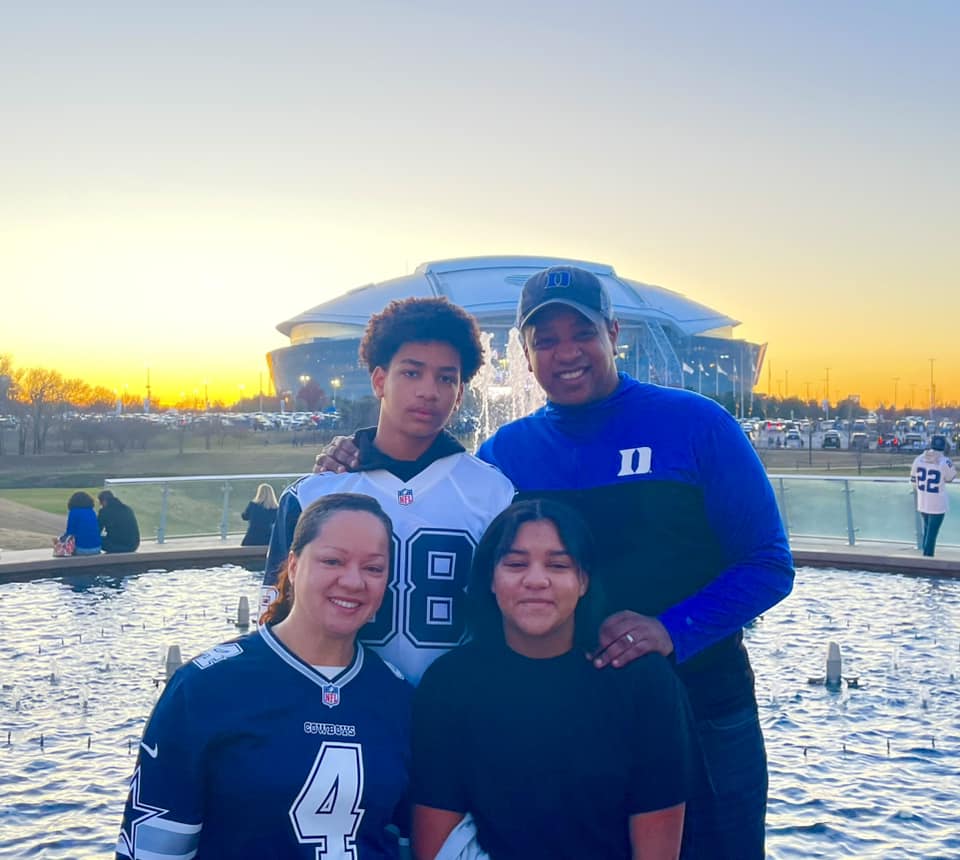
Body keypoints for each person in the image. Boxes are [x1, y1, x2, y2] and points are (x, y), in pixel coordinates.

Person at [317, 266, 794, 859]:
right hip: (575, 718)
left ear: (614, 334)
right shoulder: (506, 455)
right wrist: (355, 456)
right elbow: (450, 522)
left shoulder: (698, 425)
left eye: (582, 333)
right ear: (525, 352)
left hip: (702, 706)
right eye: (545, 340)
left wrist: (671, 630)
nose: (566, 353)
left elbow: (769, 563)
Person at [117, 493, 413, 860]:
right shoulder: (206, 688)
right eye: (333, 560)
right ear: (293, 564)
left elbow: (406, 841)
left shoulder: (398, 696)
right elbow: (154, 849)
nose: (353, 581)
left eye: (373, 568)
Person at [412, 499, 699, 860]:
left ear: (583, 580)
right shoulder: (449, 685)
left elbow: (657, 847)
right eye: (516, 564)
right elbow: (436, 844)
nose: (536, 580)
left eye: (558, 565)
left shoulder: (643, 682)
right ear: (490, 578)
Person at [263, 296, 516, 685]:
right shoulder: (314, 494)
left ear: (461, 392)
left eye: (446, 378)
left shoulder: (494, 493)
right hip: (339, 712)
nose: (429, 391)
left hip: (458, 711)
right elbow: (275, 620)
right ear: (380, 380)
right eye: (412, 373)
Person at [910, 434, 957, 557]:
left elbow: (913, 481)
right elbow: (950, 477)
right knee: (932, 535)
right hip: (938, 503)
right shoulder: (944, 461)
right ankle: (927, 559)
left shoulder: (918, 459)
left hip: (923, 501)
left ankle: (925, 558)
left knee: (927, 531)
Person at [54, 491, 101, 556]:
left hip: (81, 549)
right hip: (97, 548)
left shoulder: (73, 512)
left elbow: (70, 533)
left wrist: (59, 539)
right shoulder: (92, 511)